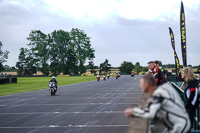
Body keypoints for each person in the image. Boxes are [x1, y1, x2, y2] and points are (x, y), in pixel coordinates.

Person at [124, 74, 191, 133]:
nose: (140, 86)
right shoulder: (162, 89)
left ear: (147, 84)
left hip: (180, 125)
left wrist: (133, 111)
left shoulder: (158, 94)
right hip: (179, 123)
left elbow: (151, 113)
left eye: (141, 84)